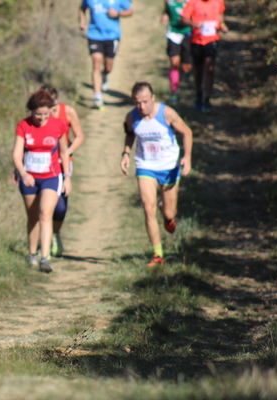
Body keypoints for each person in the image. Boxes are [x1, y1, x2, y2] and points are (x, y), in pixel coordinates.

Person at [120, 82, 192, 267]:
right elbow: (129, 134)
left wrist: (187, 157)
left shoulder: (166, 113)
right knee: (147, 207)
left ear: (153, 98)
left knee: (169, 213)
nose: (141, 106)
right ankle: (157, 254)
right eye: (137, 103)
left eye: (145, 102)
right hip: (146, 166)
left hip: (168, 166)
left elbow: (187, 132)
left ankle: (167, 214)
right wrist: (126, 153)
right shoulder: (132, 117)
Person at [13, 90, 72, 273]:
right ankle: (32, 253)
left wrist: (67, 177)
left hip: (51, 176)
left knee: (45, 214)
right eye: (38, 114)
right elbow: (17, 153)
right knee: (33, 217)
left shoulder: (59, 125)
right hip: (29, 178)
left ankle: (45, 258)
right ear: (31, 111)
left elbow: (63, 152)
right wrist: (23, 174)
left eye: (45, 114)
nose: (41, 118)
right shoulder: (23, 125)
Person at [40, 84, 85, 257]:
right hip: (42, 166)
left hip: (63, 163)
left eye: (52, 107)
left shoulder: (69, 112)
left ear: (56, 101)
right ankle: (44, 244)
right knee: (43, 206)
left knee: (60, 207)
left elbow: (79, 136)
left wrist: (68, 152)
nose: (48, 112)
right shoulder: (38, 115)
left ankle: (55, 234)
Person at [78, 0, 133, 110]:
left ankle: (105, 75)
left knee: (108, 67)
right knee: (96, 62)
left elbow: (130, 11)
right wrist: (82, 22)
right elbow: (82, 8)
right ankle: (97, 96)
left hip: (112, 36)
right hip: (94, 35)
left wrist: (118, 14)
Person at [181, 0, 228, 112]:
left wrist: (222, 26)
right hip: (196, 40)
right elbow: (184, 19)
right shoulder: (192, 2)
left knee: (209, 68)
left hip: (212, 40)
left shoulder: (218, 2)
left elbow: (220, 18)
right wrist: (194, 24)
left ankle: (207, 98)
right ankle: (199, 94)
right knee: (198, 70)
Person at [161, 0, 193, 104]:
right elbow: (166, 11)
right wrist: (165, 16)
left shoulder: (190, 2)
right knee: (174, 63)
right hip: (173, 34)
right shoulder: (169, 1)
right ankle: (174, 92)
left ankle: (185, 86)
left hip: (187, 33)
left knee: (186, 66)